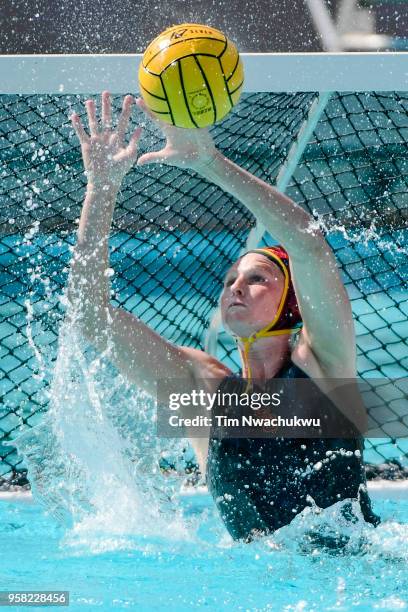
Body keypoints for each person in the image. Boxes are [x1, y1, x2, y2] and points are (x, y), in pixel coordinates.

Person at [68, 92, 380, 543]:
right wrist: (101, 188)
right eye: (233, 277)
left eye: (258, 278)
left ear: (293, 303)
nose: (236, 285)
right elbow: (90, 317)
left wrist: (209, 161)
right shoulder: (200, 390)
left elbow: (308, 244)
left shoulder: (324, 366)